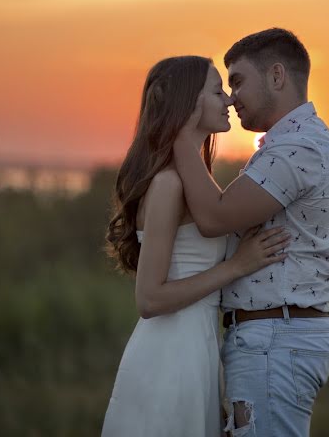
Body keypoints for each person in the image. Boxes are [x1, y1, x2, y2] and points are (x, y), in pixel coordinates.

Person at [101, 55, 291, 437]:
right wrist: (236, 267)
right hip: (169, 355)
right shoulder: (169, 185)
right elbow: (149, 299)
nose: (228, 100)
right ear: (189, 103)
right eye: (217, 90)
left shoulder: (193, 181)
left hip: (197, 348)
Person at [173, 28, 329, 436]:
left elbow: (215, 218)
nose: (232, 97)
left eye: (238, 81)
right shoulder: (286, 145)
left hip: (276, 339)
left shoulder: (298, 147)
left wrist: (178, 135)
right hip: (272, 337)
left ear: (277, 76)